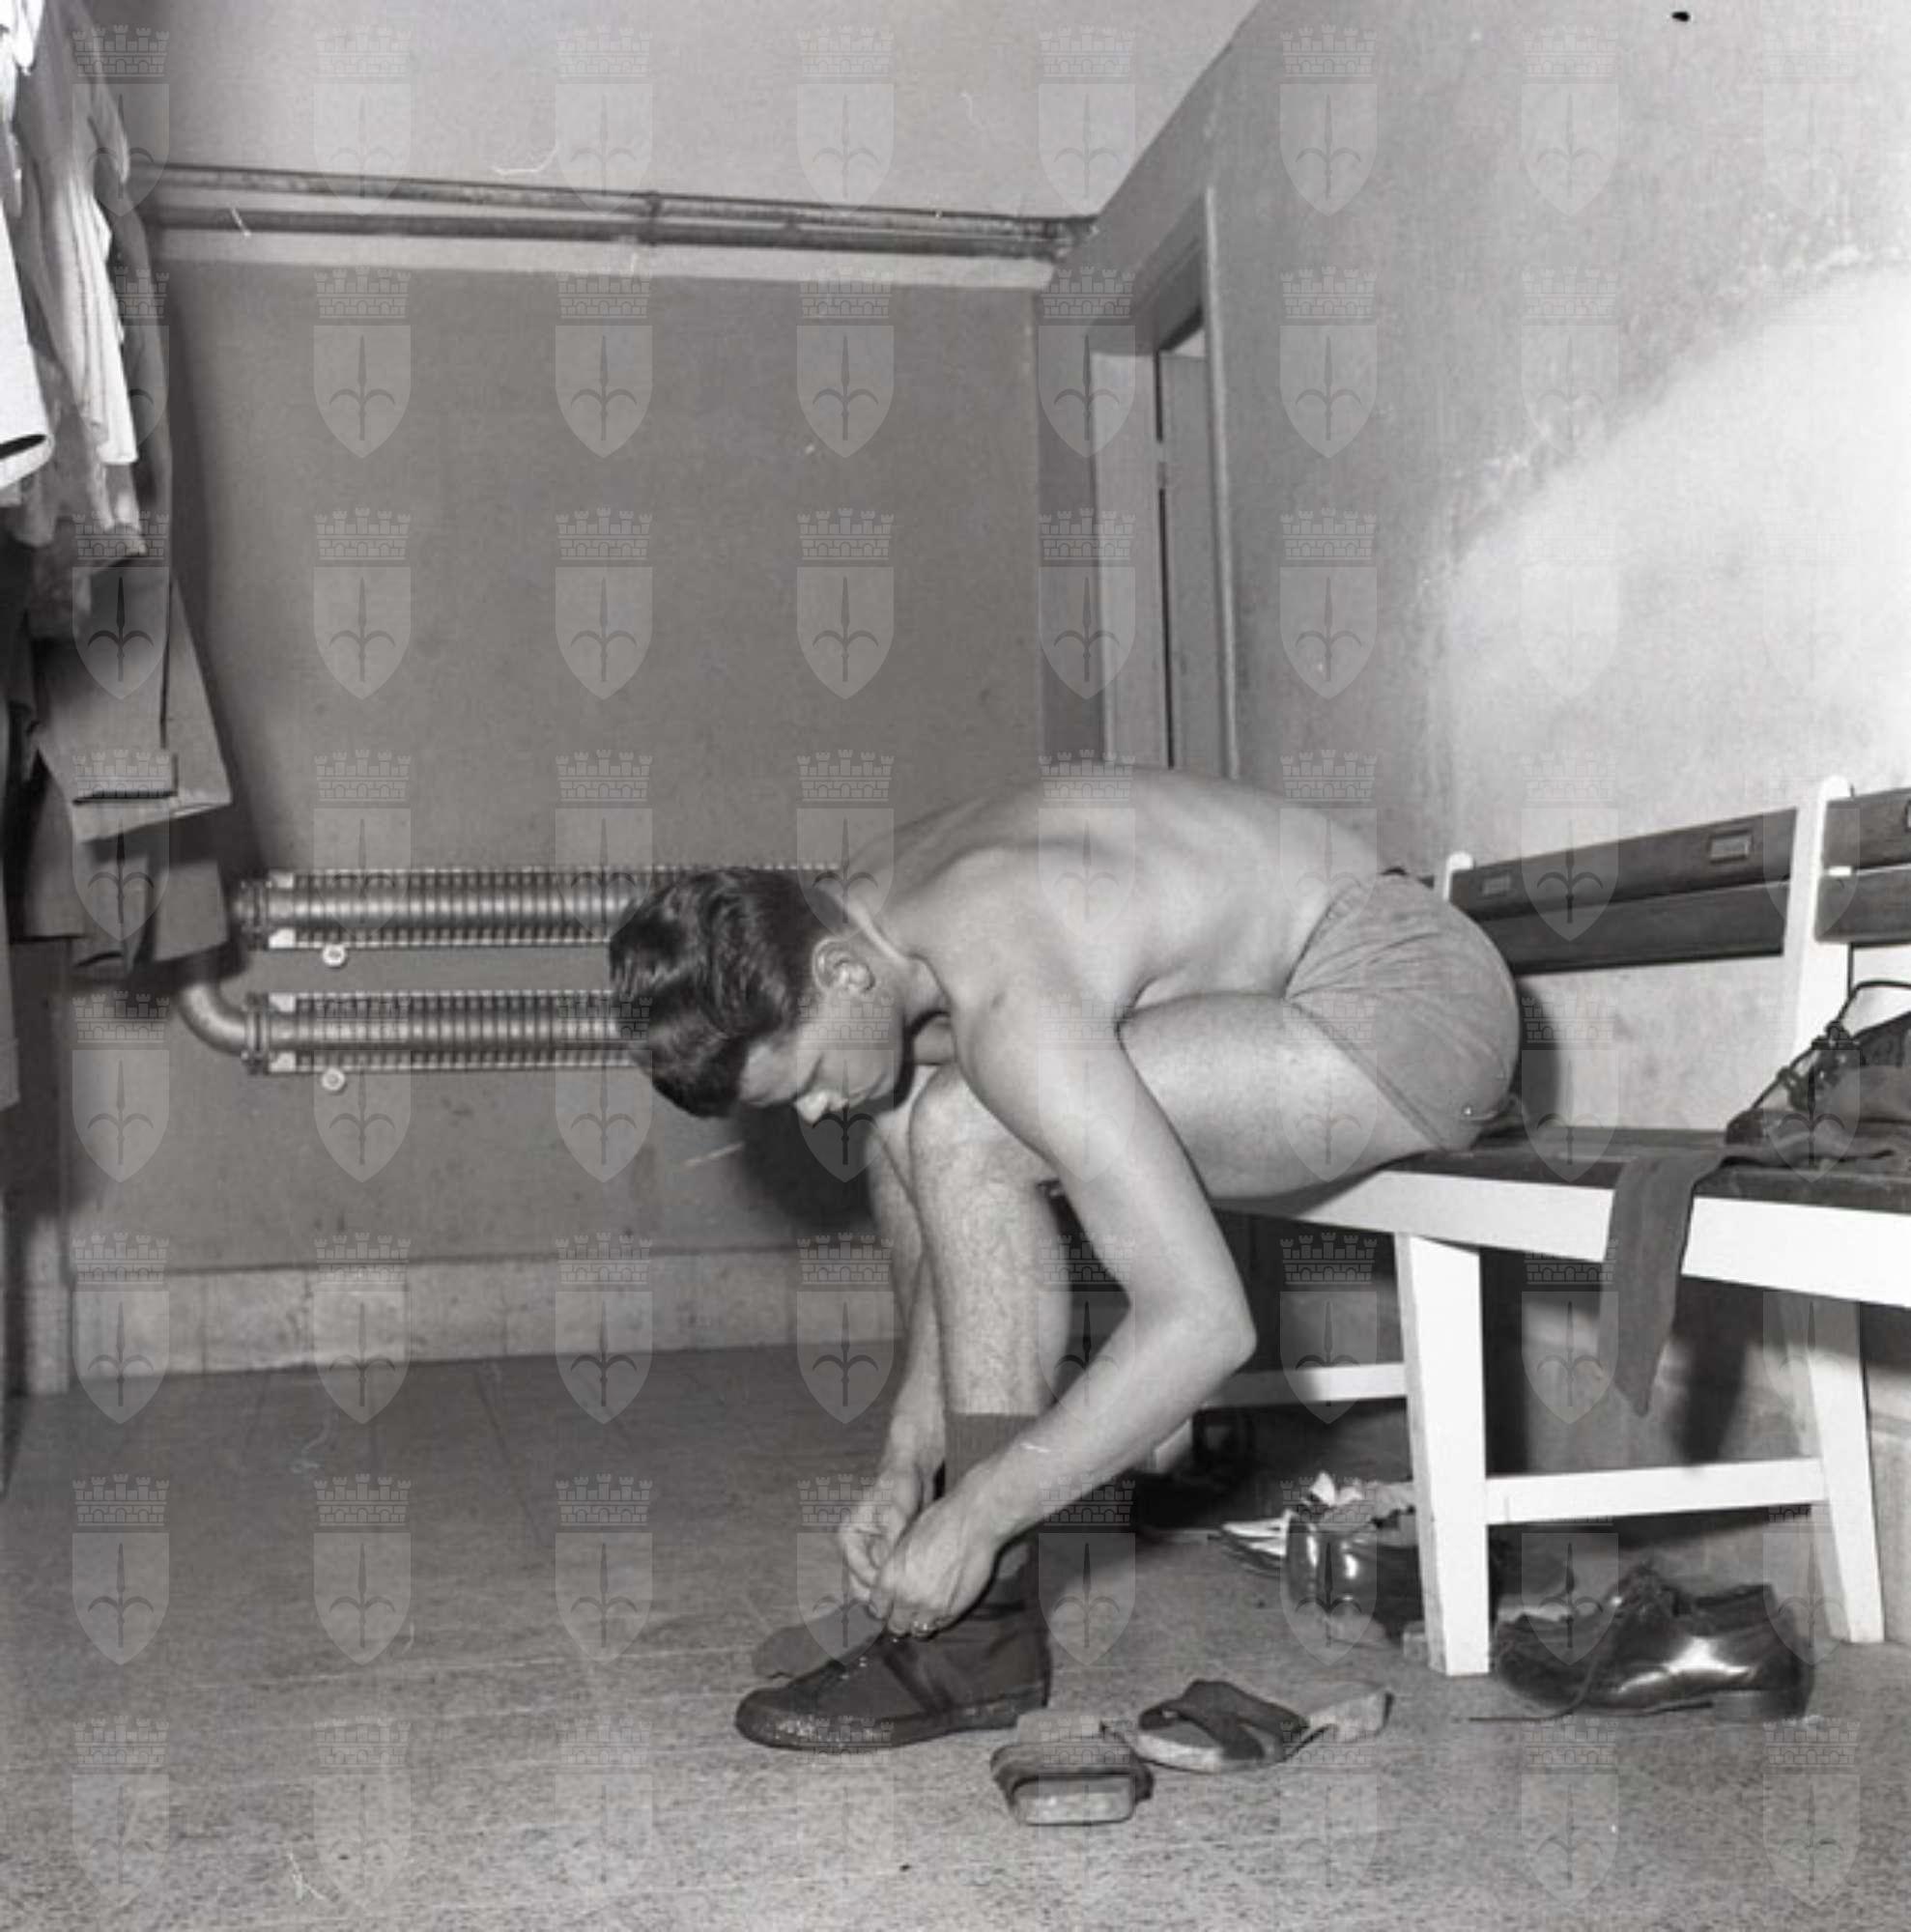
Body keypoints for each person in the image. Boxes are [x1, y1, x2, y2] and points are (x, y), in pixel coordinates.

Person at [608, 764, 1521, 1751]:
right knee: (913, 1114)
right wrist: (912, 1457)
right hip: (1311, 976)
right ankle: (969, 1602)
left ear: (839, 973)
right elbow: (914, 1159)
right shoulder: (860, 915)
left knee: (964, 1124)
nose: (816, 1111)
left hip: (1406, 996)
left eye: (807, 1080)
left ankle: (981, 1631)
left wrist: (980, 1519)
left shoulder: (1004, 973)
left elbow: (1203, 1321)